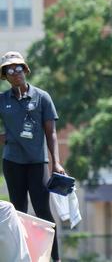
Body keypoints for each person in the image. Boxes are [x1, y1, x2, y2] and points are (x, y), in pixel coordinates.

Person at [0, 51, 65, 262]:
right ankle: (23, 258)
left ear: (25, 70)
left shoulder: (42, 97)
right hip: (12, 162)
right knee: (18, 212)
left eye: (18, 68)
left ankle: (54, 259)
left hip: (38, 162)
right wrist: (5, 136)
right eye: (9, 69)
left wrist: (56, 162)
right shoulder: (2, 100)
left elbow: (51, 132)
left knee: (42, 210)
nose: (15, 72)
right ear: (5, 75)